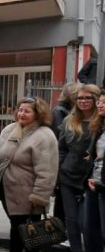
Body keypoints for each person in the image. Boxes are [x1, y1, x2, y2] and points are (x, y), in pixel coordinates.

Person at [0, 97, 58, 252]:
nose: (21, 114)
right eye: (20, 110)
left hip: (29, 193)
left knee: (31, 230)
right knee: (15, 227)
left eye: (27, 111)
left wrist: (40, 196)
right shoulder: (10, 129)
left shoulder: (44, 135)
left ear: (38, 113)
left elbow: (48, 170)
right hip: (9, 190)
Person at [58, 84, 99, 252]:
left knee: (87, 223)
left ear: (96, 100)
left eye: (87, 98)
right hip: (68, 176)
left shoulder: (101, 122)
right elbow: (61, 148)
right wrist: (60, 169)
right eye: (80, 98)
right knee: (71, 220)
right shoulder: (69, 120)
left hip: (91, 180)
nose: (83, 101)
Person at [82, 90, 105, 252]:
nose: (100, 105)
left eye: (104, 102)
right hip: (94, 184)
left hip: (102, 185)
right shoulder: (99, 127)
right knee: (91, 228)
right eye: (100, 102)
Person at [50, 82, 80, 224]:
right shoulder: (60, 111)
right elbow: (61, 138)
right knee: (62, 199)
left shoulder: (68, 111)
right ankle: (59, 229)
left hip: (69, 161)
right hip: (62, 160)